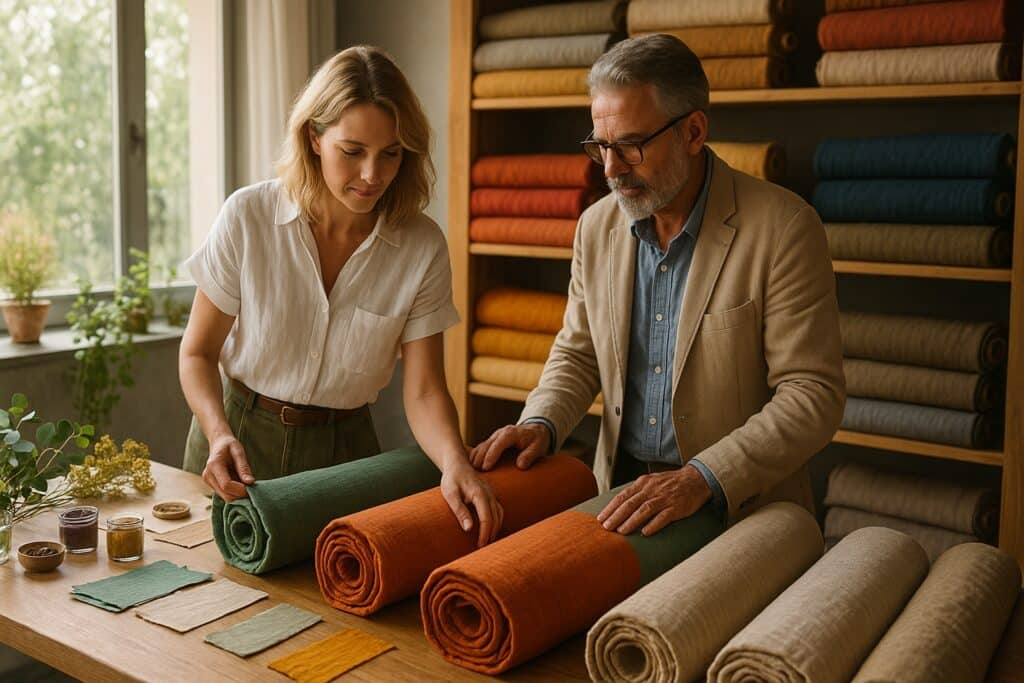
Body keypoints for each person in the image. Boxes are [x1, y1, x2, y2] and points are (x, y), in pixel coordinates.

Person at [470, 34, 845, 537]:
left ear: (693, 132)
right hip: (619, 497)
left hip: (740, 510)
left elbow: (812, 394)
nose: (609, 169)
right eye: (600, 146)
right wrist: (540, 422)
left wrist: (702, 477)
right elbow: (579, 351)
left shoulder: (784, 228)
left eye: (630, 146)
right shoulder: (596, 226)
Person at [180, 46, 503, 546]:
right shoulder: (247, 217)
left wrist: (454, 461)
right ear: (314, 137)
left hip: (347, 456)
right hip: (239, 441)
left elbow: (423, 389)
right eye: (352, 152)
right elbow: (198, 352)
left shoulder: (421, 247)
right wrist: (219, 432)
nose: (373, 175)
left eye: (391, 154)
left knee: (333, 615)